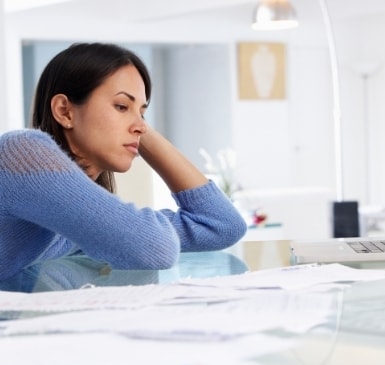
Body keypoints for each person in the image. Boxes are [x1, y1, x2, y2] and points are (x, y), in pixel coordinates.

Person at [0, 42, 247, 291]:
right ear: (65, 111)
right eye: (121, 106)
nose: (141, 125)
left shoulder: (66, 223)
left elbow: (222, 226)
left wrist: (136, 126)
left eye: (142, 112)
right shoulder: (21, 153)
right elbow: (155, 248)